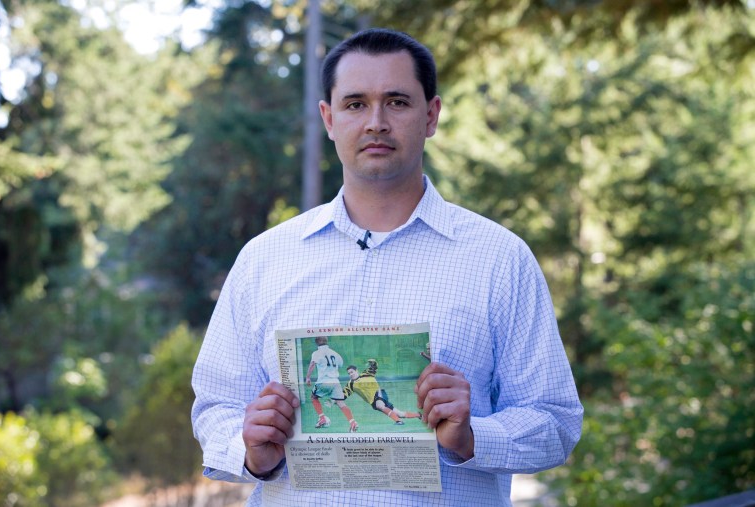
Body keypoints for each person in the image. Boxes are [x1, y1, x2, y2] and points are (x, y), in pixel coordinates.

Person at [192, 27, 583, 506]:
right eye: (355, 104)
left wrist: (472, 436)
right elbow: (216, 407)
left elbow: (556, 420)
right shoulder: (263, 260)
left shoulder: (499, 258)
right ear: (329, 118)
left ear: (431, 115)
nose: (376, 121)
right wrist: (251, 451)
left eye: (397, 101)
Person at [304, 336, 358, 431]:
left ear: (316, 342)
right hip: (335, 382)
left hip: (323, 381)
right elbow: (341, 364)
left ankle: (322, 418)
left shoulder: (316, 353)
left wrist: (308, 377)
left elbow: (312, 364)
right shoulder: (335, 353)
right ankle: (353, 422)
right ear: (327, 341)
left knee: (313, 397)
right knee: (341, 403)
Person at [343, 361, 421, 425]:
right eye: (349, 373)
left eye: (352, 372)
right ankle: (419, 415)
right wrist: (334, 399)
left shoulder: (366, 373)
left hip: (379, 393)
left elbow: (374, 365)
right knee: (400, 414)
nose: (350, 374)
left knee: (380, 405)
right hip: (372, 401)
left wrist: (371, 361)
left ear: (356, 370)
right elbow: (343, 395)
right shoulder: (350, 384)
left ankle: (398, 421)